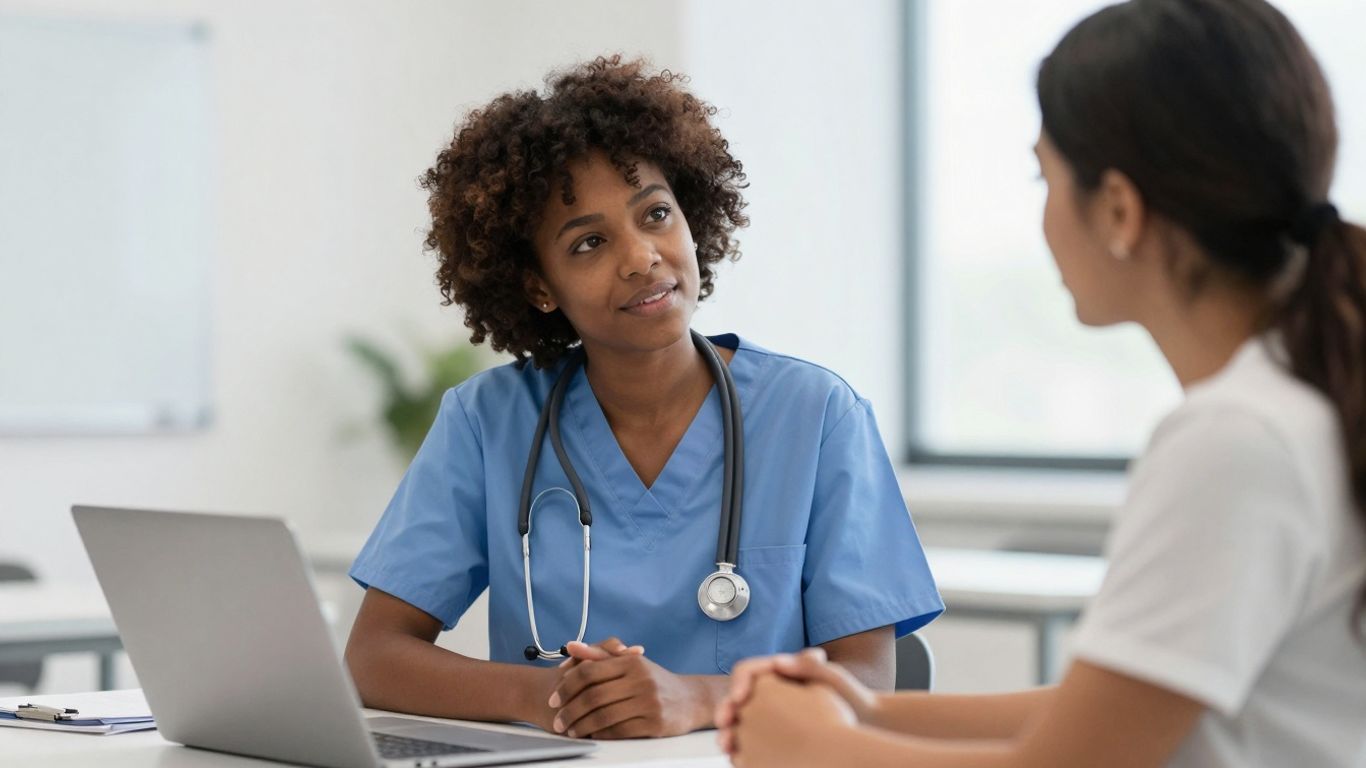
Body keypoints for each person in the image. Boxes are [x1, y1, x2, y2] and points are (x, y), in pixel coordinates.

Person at [717, 0, 1366, 765]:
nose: (1043, 213)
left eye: (1043, 176)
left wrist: (817, 747)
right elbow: (1111, 710)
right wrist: (866, 710)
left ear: (1119, 210)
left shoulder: (1236, 440)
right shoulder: (1302, 403)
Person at [343, 56, 943, 741]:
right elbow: (374, 656)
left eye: (656, 214)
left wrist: (697, 698)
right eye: (589, 242)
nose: (640, 257)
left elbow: (867, 681)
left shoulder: (815, 415)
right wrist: (551, 696)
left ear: (692, 218)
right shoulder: (487, 423)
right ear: (539, 287)